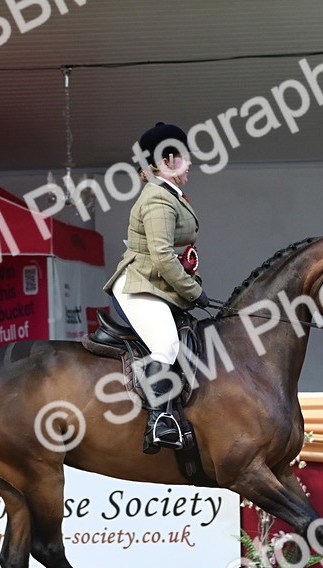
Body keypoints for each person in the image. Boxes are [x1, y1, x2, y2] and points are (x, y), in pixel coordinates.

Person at [103, 122, 210, 454]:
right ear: (168, 160)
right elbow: (163, 257)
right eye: (185, 157)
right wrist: (193, 292)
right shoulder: (157, 200)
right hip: (140, 284)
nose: (190, 163)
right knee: (166, 346)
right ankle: (159, 422)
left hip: (158, 284)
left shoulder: (169, 194)